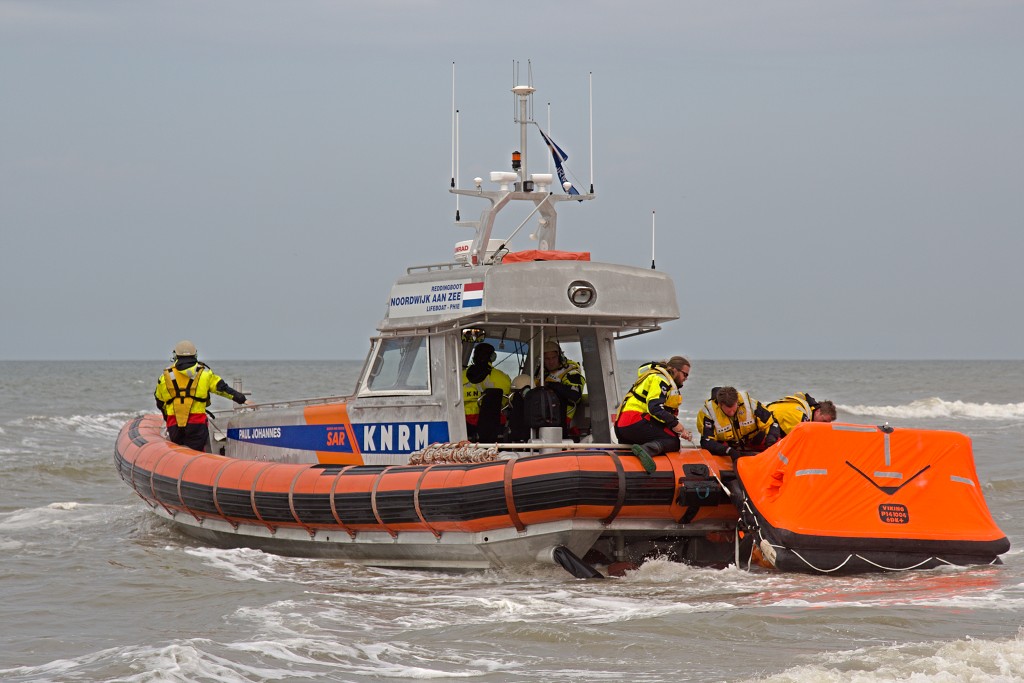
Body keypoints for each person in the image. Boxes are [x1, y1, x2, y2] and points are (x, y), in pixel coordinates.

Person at [154, 340, 250, 451]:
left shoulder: (165, 377)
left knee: (177, 453)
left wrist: (167, 418)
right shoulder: (205, 374)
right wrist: (242, 399)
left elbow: (160, 402)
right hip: (197, 424)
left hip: (174, 425)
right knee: (197, 452)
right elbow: (223, 388)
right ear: (195, 354)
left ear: (175, 355)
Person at [614, 356, 693, 474]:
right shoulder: (661, 380)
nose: (686, 378)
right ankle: (646, 450)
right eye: (685, 374)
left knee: (671, 434)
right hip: (633, 422)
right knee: (673, 441)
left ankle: (635, 460)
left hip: (623, 426)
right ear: (674, 370)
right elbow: (655, 408)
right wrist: (676, 424)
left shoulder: (658, 378)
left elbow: (661, 415)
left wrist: (679, 429)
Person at [697, 386, 780, 457]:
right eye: (728, 412)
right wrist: (728, 451)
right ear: (720, 405)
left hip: (753, 439)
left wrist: (771, 438)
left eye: (733, 410)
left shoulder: (751, 405)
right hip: (729, 446)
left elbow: (773, 423)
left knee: (778, 442)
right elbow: (706, 441)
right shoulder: (708, 413)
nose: (732, 413)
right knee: (713, 449)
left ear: (737, 402)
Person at [462, 342, 512, 441]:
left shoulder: (459, 376)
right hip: (493, 424)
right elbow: (508, 401)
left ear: (474, 356)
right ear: (493, 357)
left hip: (464, 423)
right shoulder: (504, 378)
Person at [536, 340, 586, 438]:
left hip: (562, 418)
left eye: (553, 358)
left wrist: (551, 385)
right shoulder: (542, 372)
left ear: (560, 357)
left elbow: (576, 395)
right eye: (547, 359)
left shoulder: (572, 373)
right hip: (542, 416)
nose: (550, 362)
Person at [767, 392, 837, 437]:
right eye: (824, 421)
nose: (823, 425)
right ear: (817, 411)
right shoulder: (800, 416)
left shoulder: (803, 409)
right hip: (763, 427)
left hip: (767, 423)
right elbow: (798, 440)